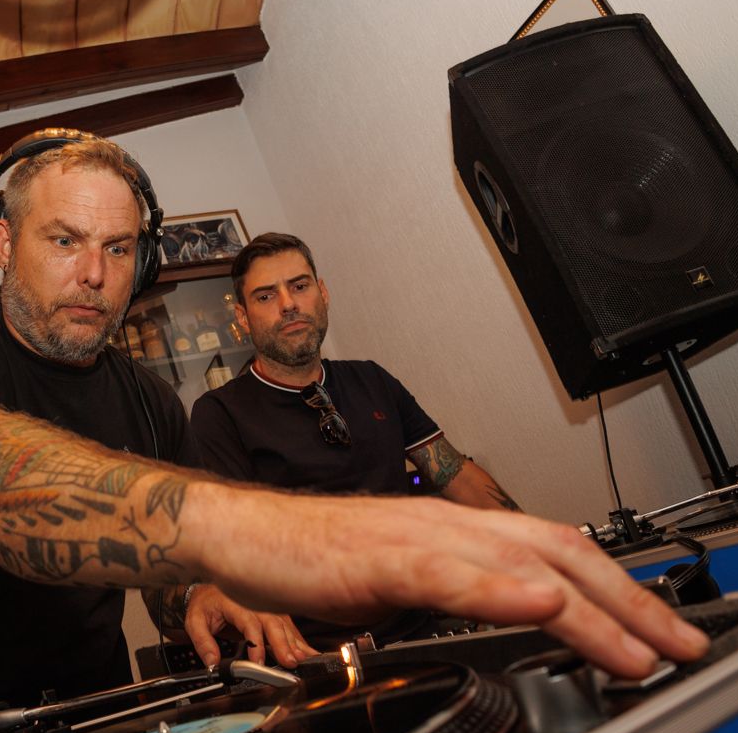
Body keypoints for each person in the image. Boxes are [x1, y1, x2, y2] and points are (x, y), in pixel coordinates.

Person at [0, 129, 708, 733]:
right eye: (63, 241)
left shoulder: (151, 401)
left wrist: (200, 592)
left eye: (119, 249)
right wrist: (287, 539)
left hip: (94, 717)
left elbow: (164, 578)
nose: (94, 274)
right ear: (4, 244)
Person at [189, 232, 518, 648]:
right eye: (266, 296)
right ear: (242, 317)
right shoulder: (220, 413)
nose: (289, 304)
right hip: (314, 658)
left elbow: (454, 473)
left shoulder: (373, 379)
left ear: (322, 293)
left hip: (419, 635)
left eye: (300, 286)